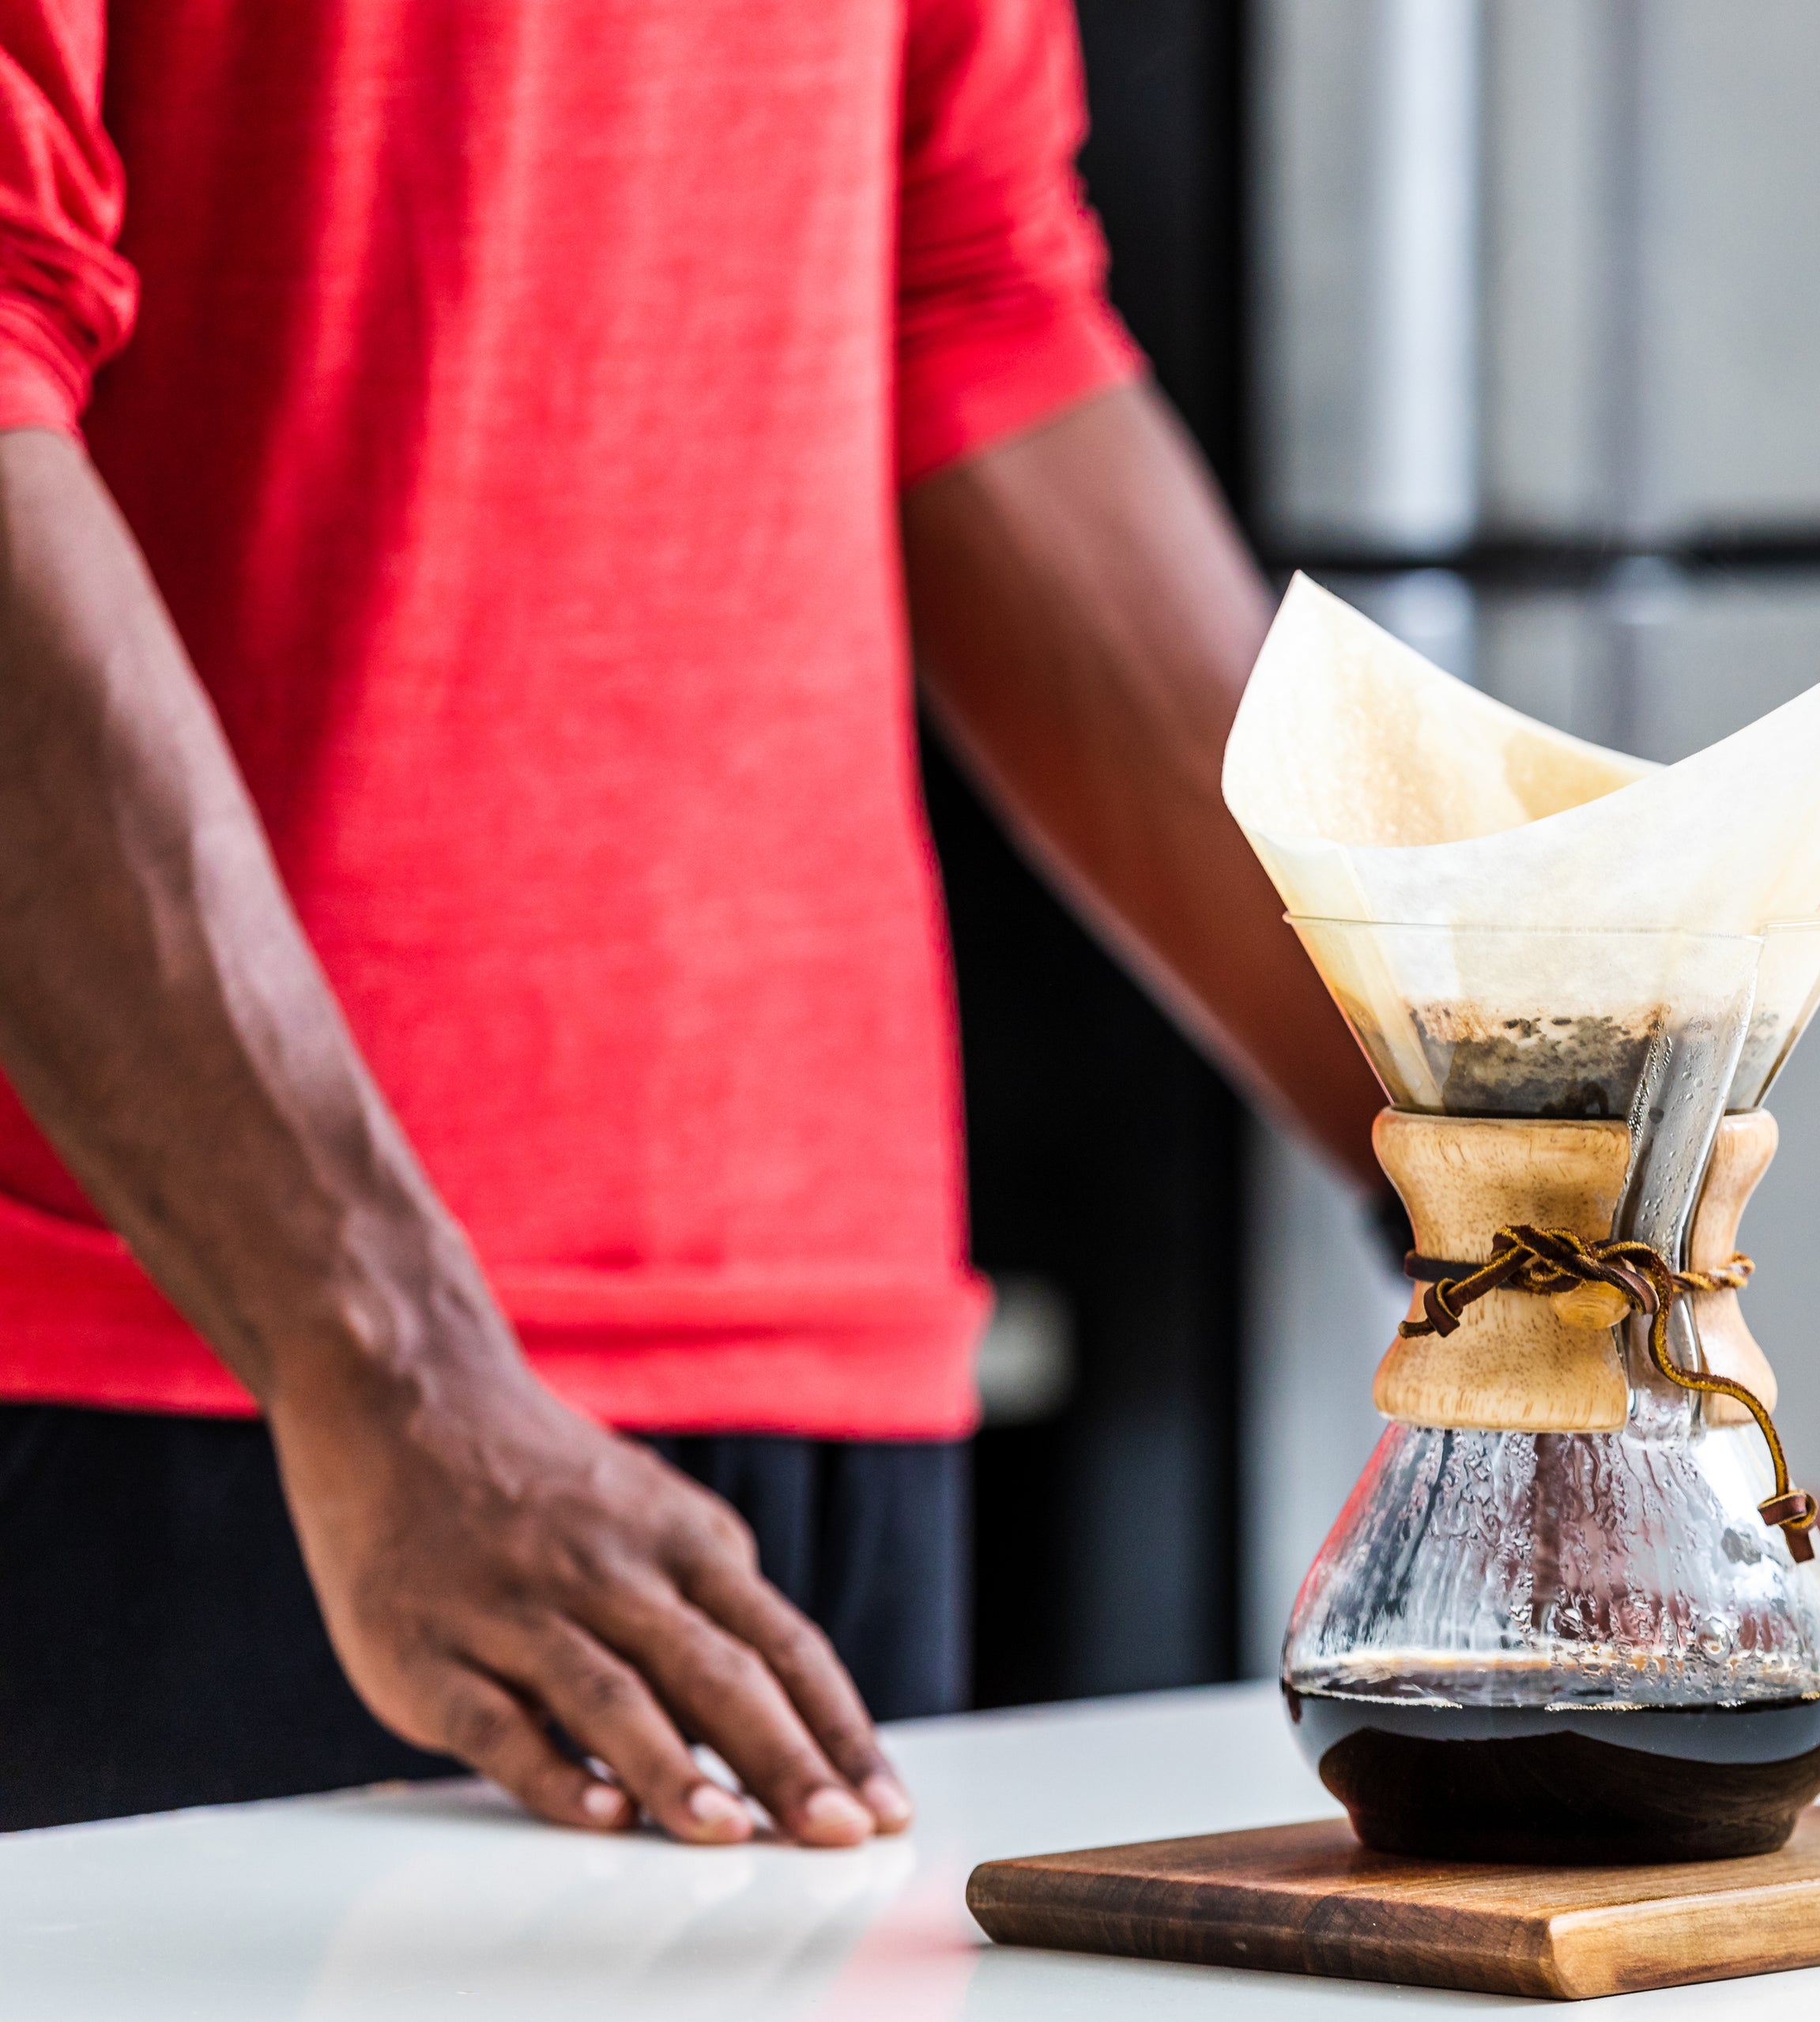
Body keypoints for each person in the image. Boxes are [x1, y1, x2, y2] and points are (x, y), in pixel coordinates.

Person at [0, 0, 1381, 1839]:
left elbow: (964, 293)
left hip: (817, 1385)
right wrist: (381, 1348)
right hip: (188, 1372)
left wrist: (1529, 1171)